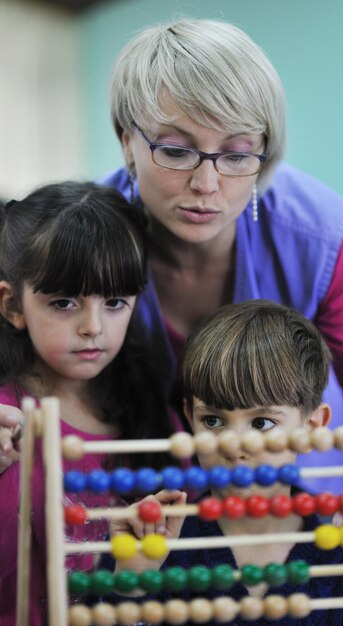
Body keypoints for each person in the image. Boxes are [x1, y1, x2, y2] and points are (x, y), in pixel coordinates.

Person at [1, 15, 343, 540]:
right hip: (156, 534)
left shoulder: (321, 237)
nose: (207, 183)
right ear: (125, 139)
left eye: (238, 153)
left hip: (314, 520)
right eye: (176, 150)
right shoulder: (85, 234)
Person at [109, 301, 343, 625]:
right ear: (189, 418)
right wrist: (131, 587)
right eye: (212, 420)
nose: (233, 445)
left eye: (262, 423)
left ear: (312, 427)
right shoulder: (158, 552)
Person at [0, 181, 175, 626]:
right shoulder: (3, 420)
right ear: (12, 305)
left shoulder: (153, 416)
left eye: (115, 301)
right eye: (64, 303)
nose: (93, 327)